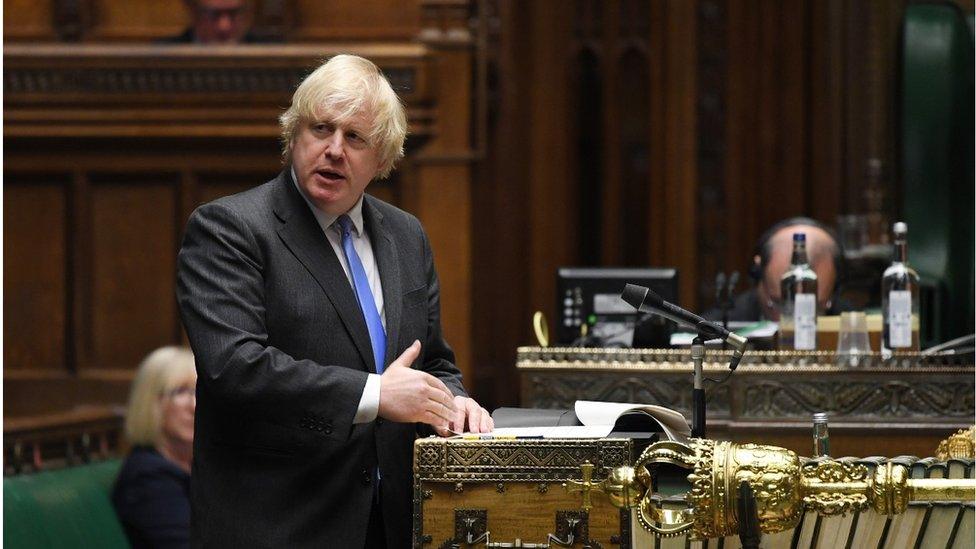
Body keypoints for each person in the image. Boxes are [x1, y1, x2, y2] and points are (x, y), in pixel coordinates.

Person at [176, 54, 493, 548]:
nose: (333, 150)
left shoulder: (406, 236)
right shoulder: (230, 228)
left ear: (383, 158)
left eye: (356, 138)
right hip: (279, 524)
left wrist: (452, 402)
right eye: (321, 129)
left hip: (389, 523)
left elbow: (431, 359)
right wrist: (375, 395)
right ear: (293, 136)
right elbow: (234, 368)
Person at [111, 346, 197, 549]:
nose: (194, 405)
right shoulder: (147, 478)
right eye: (180, 391)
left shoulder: (200, 464)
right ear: (150, 403)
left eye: (200, 390)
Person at [706, 217, 847, 322]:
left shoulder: (855, 324)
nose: (796, 322)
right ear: (757, 274)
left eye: (815, 307)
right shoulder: (718, 327)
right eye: (781, 304)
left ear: (836, 288)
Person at [158, 0, 260, 44]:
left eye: (234, 13)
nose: (224, 26)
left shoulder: (270, 55)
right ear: (193, 11)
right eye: (213, 14)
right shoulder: (160, 57)